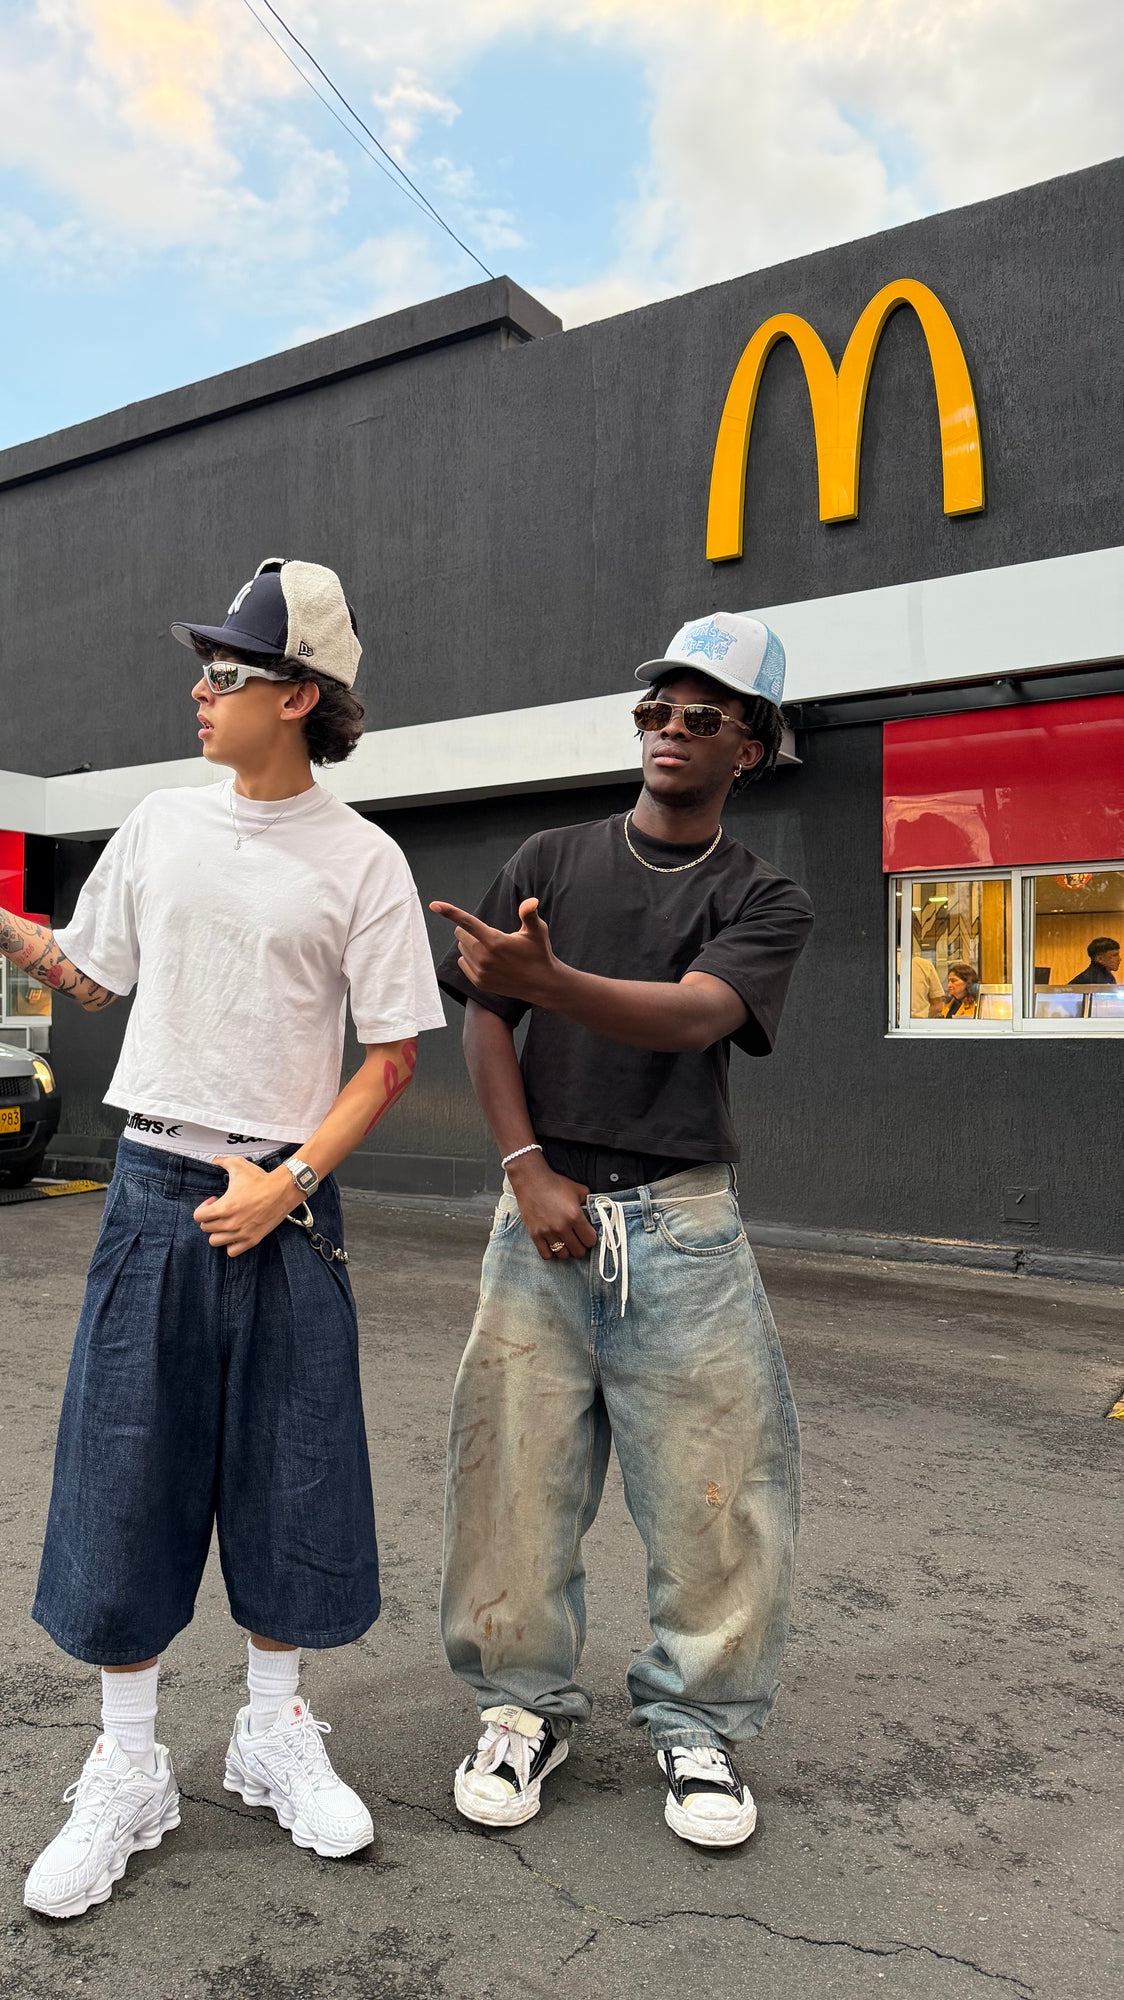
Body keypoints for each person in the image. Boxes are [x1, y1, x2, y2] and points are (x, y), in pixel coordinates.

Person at [0, 556, 445, 1918]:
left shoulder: (364, 859)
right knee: (125, 1470)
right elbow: (86, 975)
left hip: (286, 1205)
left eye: (228, 672)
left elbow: (393, 1059)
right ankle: (127, 1765)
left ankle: (272, 1733)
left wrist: (290, 1180)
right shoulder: (162, 825)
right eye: (204, 668)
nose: (200, 689)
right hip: (152, 1186)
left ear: (298, 696)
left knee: (294, 1470)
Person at [429, 611, 812, 1851]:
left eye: (703, 715)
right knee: (512, 1479)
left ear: (752, 747)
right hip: (538, 1211)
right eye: (655, 708)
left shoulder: (764, 896)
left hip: (682, 1225)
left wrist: (551, 983)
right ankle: (520, 1706)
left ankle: (697, 1722)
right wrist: (525, 1164)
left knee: (716, 1496)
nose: (669, 729)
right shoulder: (548, 857)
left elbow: (695, 1013)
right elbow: (485, 1016)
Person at [910, 954, 945, 1019]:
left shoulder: (922, 965)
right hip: (918, 1022)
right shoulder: (923, 965)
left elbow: (937, 1005)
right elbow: (938, 1005)